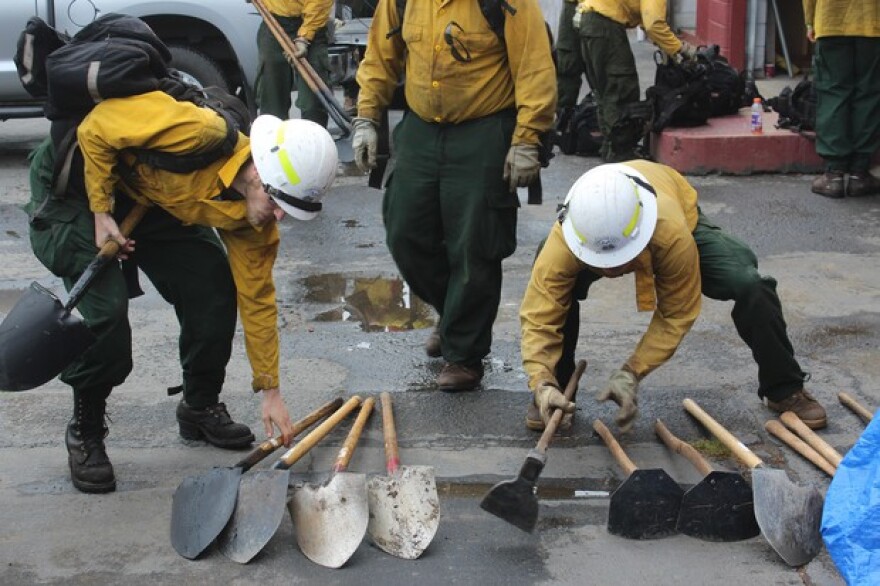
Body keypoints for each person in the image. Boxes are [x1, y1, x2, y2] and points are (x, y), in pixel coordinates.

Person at [26, 91, 338, 494]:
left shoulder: (253, 222)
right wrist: (102, 213)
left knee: (212, 288)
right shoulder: (197, 132)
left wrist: (271, 391)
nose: (280, 218)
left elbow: (258, 302)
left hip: (148, 196)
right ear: (261, 176)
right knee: (105, 316)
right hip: (78, 188)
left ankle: (198, 405)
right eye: (279, 204)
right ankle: (85, 431)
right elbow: (97, 127)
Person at [520, 161, 828, 433]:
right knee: (554, 290)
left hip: (671, 206)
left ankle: (784, 387)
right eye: (603, 263)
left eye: (620, 262)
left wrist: (632, 372)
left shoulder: (669, 231)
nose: (612, 271)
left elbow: (676, 312)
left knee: (750, 285)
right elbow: (540, 313)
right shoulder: (568, 237)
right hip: (603, 233)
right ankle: (555, 392)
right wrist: (540, 380)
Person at [351, 0, 557, 390]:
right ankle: (454, 318)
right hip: (421, 128)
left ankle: (464, 355)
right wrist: (366, 116)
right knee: (404, 230)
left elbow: (535, 68)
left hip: (484, 127)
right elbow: (380, 57)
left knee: (474, 244)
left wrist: (528, 137)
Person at [571, 0, 696, 162]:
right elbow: (654, 25)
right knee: (622, 87)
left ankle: (611, 148)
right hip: (605, 24)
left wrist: (665, 44)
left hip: (588, 21)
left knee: (606, 91)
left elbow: (647, 21)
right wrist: (680, 49)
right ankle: (622, 152)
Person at [803, 0, 880, 198]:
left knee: (833, 91)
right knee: (869, 93)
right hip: (873, 22)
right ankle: (859, 174)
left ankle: (834, 174)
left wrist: (810, 21)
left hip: (831, 21)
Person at [256, 0, 334, 126]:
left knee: (312, 103)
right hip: (273, 22)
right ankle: (275, 141)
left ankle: (312, 140)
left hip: (311, 24)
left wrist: (304, 37)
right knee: (272, 101)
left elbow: (319, 3)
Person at [556, 0, 589, 119]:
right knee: (566, 66)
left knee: (605, 74)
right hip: (572, 6)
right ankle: (563, 124)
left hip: (603, 8)